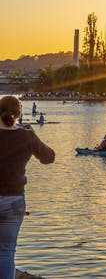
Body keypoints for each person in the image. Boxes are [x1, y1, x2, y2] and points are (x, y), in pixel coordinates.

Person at [0, 96, 55, 279]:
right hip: (14, 200)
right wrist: (32, 135)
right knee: (6, 252)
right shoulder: (26, 135)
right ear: (19, 113)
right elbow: (49, 158)